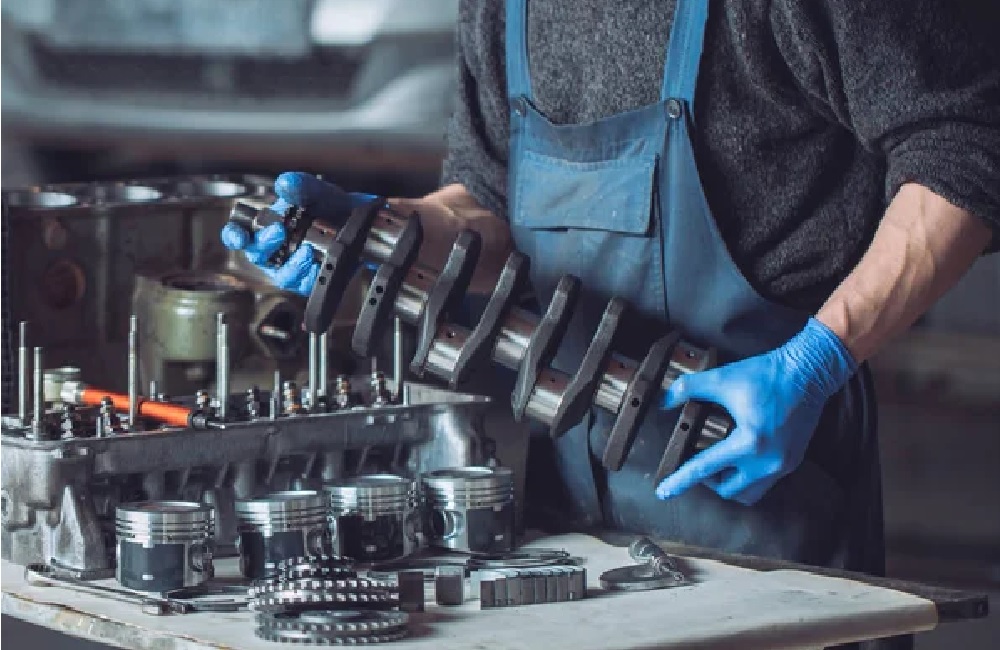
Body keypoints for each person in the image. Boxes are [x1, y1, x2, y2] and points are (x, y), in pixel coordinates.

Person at [224, 0, 998, 589]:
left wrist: (817, 360)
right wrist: (377, 234)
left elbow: (969, 144)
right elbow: (487, 207)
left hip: (767, 500)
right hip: (568, 530)